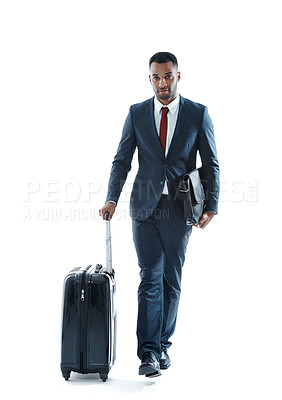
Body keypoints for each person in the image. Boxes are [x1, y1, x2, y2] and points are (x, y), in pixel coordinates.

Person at [99, 51, 220, 378]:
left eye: (168, 76)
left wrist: (212, 205)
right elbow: (122, 160)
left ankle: (164, 343)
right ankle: (149, 353)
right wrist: (111, 199)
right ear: (149, 78)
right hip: (144, 208)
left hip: (181, 209)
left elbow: (210, 163)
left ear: (178, 76)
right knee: (150, 277)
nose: (162, 83)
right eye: (156, 77)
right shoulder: (137, 113)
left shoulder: (197, 114)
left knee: (171, 281)